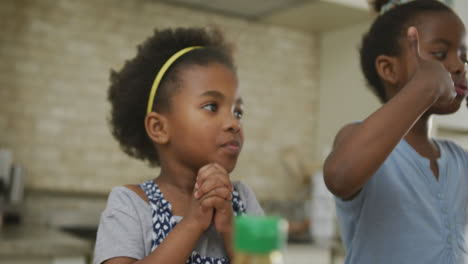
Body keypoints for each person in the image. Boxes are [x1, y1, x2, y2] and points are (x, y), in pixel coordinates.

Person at [93, 27, 264, 264]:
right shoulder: (128, 203)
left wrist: (230, 229)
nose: (234, 123)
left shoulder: (245, 199)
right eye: (211, 106)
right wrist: (192, 223)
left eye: (238, 112)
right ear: (159, 128)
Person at [323, 0, 468, 263]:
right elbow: (339, 176)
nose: (459, 66)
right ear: (389, 69)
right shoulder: (357, 139)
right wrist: (423, 89)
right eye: (440, 54)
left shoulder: (460, 160)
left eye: (464, 56)